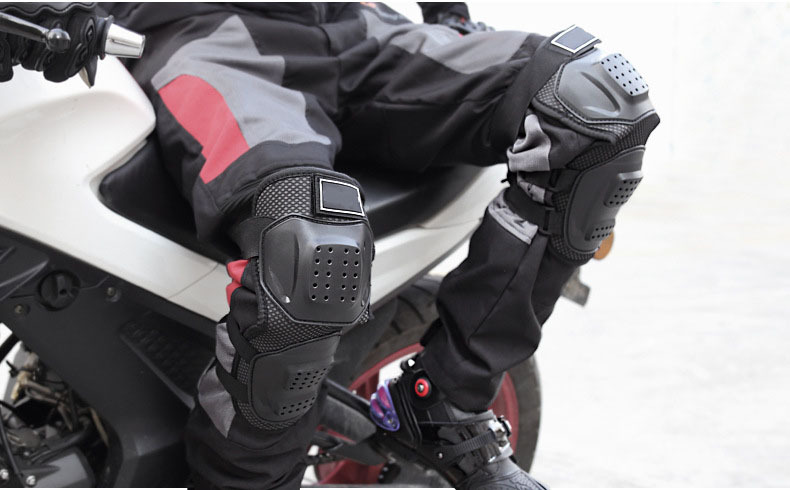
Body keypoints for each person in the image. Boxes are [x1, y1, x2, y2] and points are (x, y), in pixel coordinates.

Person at [0, 2, 660, 488]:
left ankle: (448, 402)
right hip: (207, 35)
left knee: (601, 105)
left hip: (355, 27)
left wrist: (448, 13)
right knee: (313, 252)